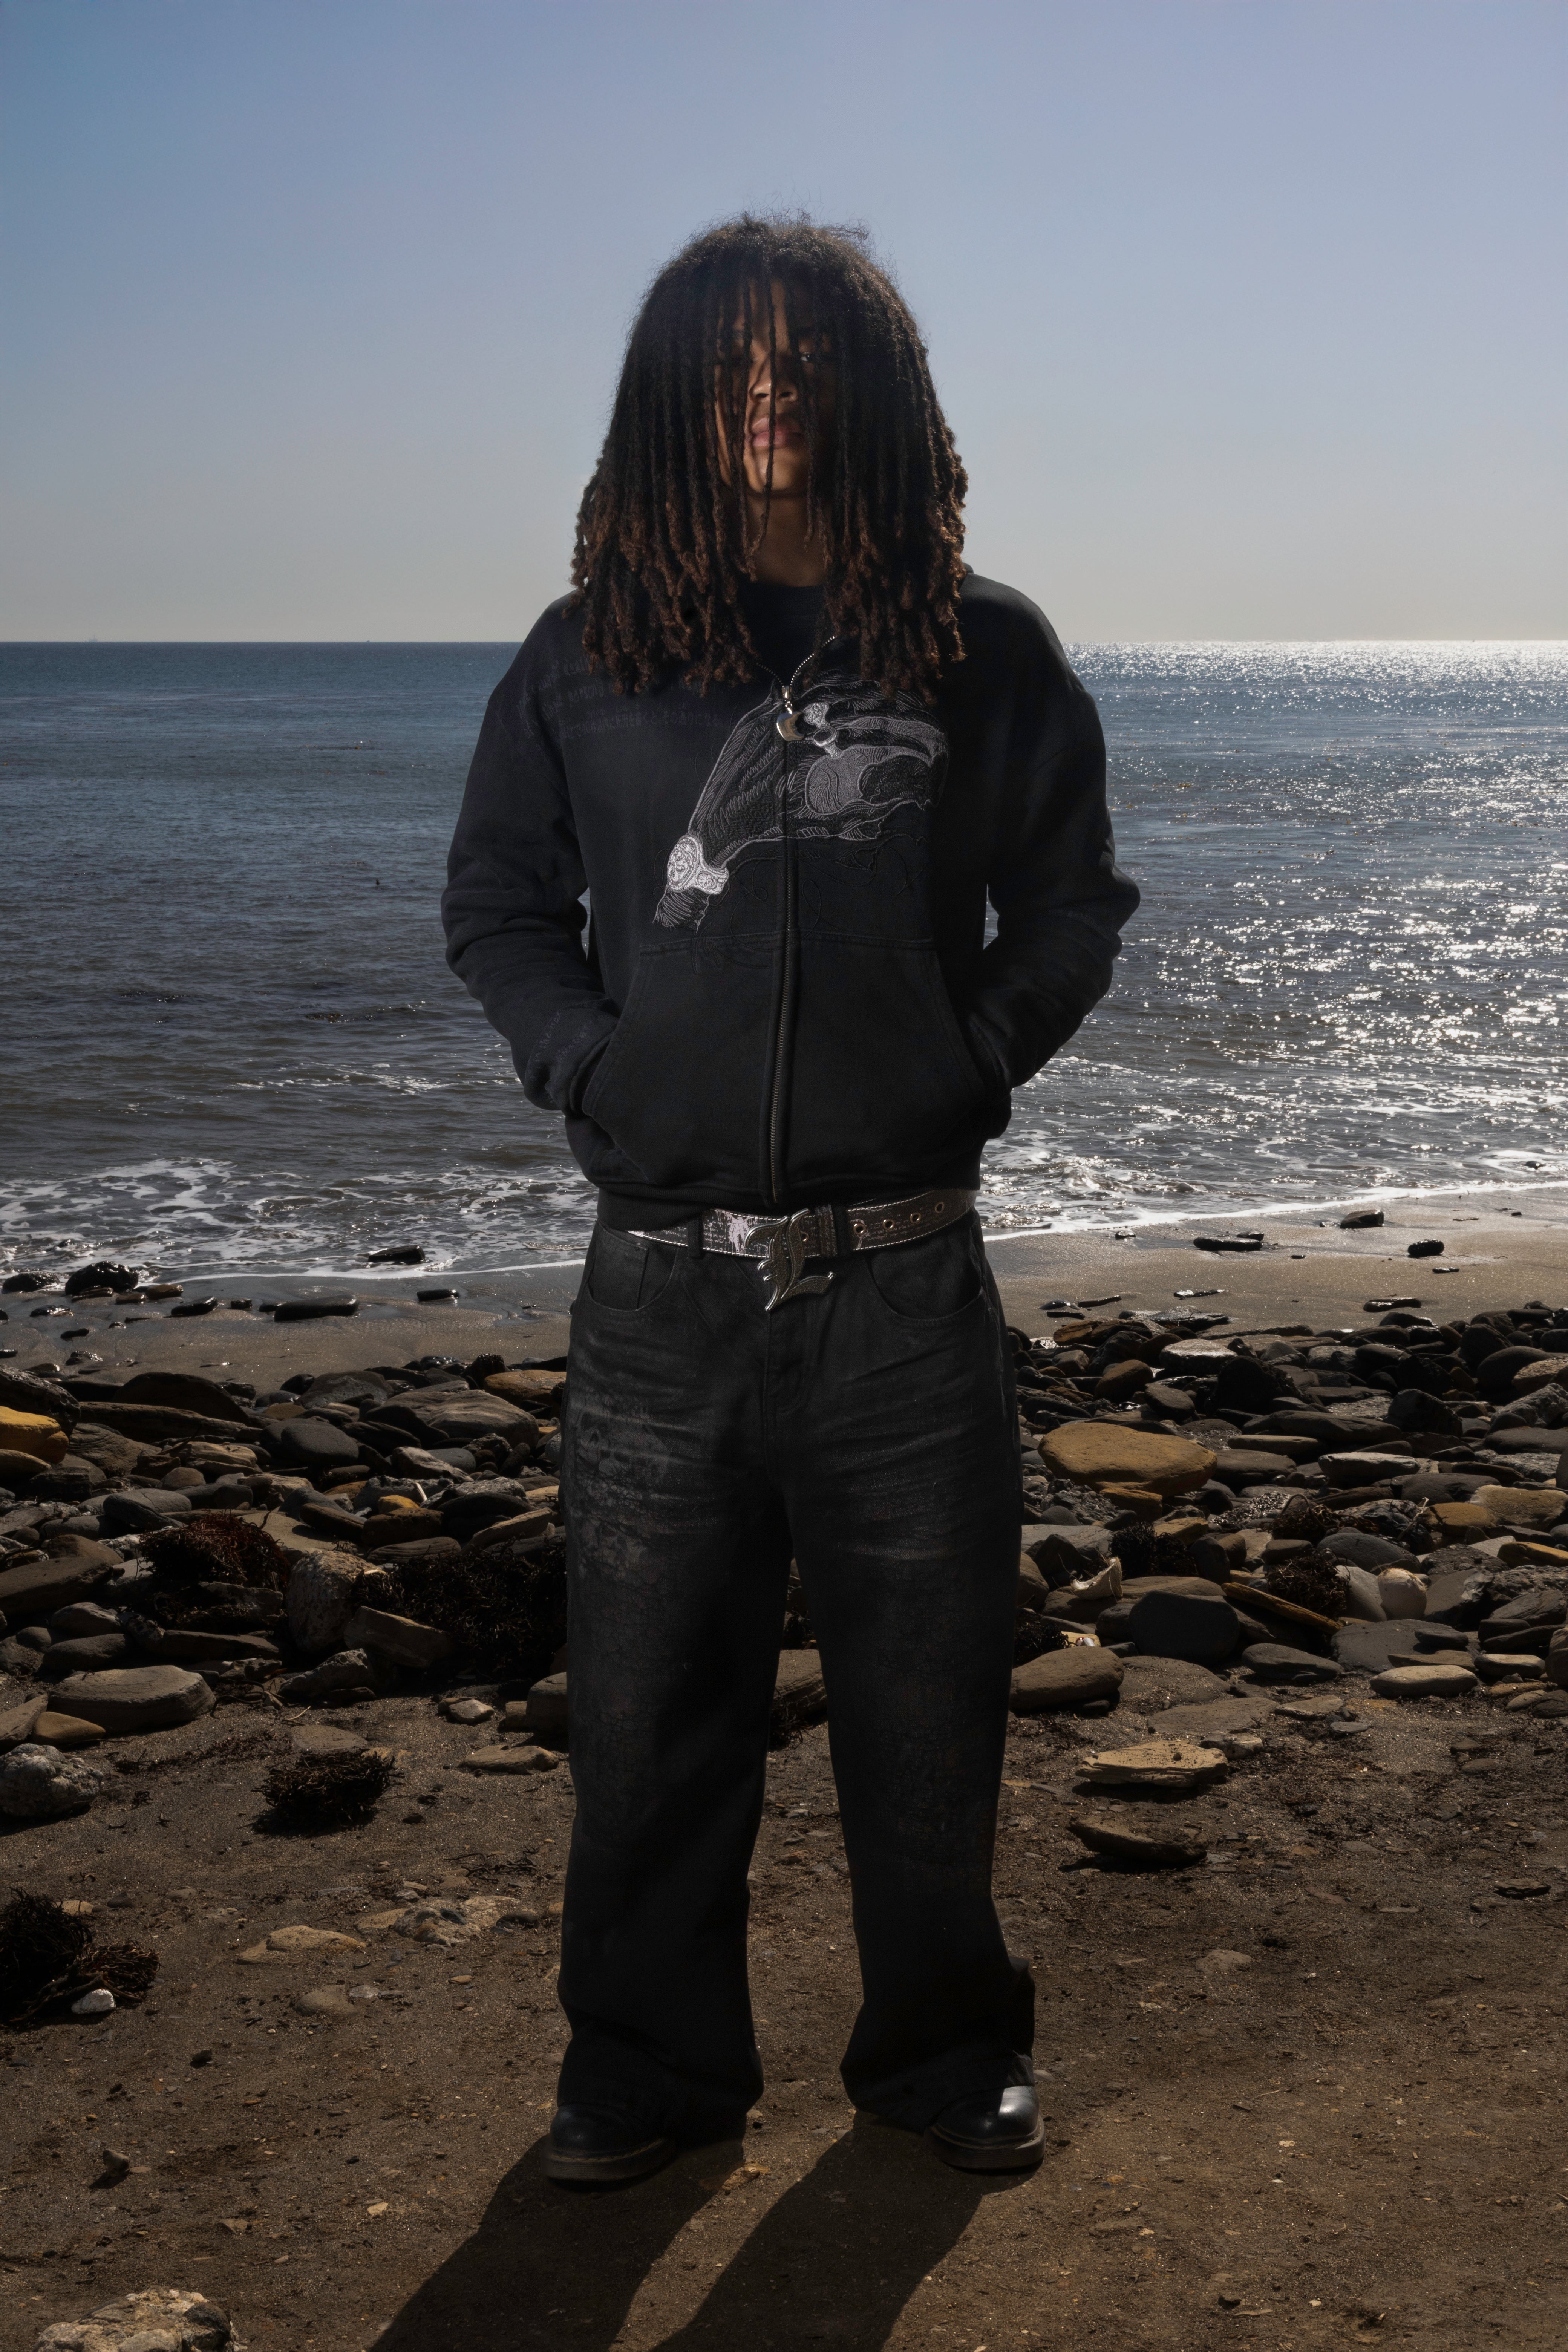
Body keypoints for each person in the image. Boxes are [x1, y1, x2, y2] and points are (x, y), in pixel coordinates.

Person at [443, 215, 1138, 2185]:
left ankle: (943, 2055)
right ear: (676, 393)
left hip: (901, 1283)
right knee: (649, 1715)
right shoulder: (582, 659)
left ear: (872, 391)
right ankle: (646, 2080)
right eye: (733, 361)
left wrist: (964, 1062)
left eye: (807, 357)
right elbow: (497, 907)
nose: (769, 392)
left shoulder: (982, 649)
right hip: (659, 1289)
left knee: (928, 1710)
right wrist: (595, 1068)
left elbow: (1072, 905)